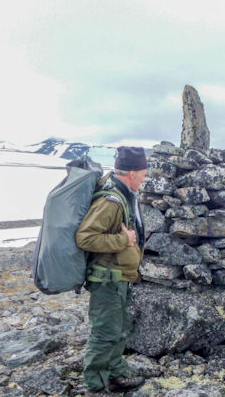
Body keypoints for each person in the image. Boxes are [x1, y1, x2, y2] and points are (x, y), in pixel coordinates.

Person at [76, 146, 148, 396]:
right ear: (131, 173)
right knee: (105, 333)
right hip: (106, 280)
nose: (144, 179)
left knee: (119, 329)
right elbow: (85, 237)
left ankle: (116, 375)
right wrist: (123, 240)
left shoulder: (125, 193)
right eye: (143, 174)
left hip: (119, 279)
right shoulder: (111, 201)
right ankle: (95, 387)